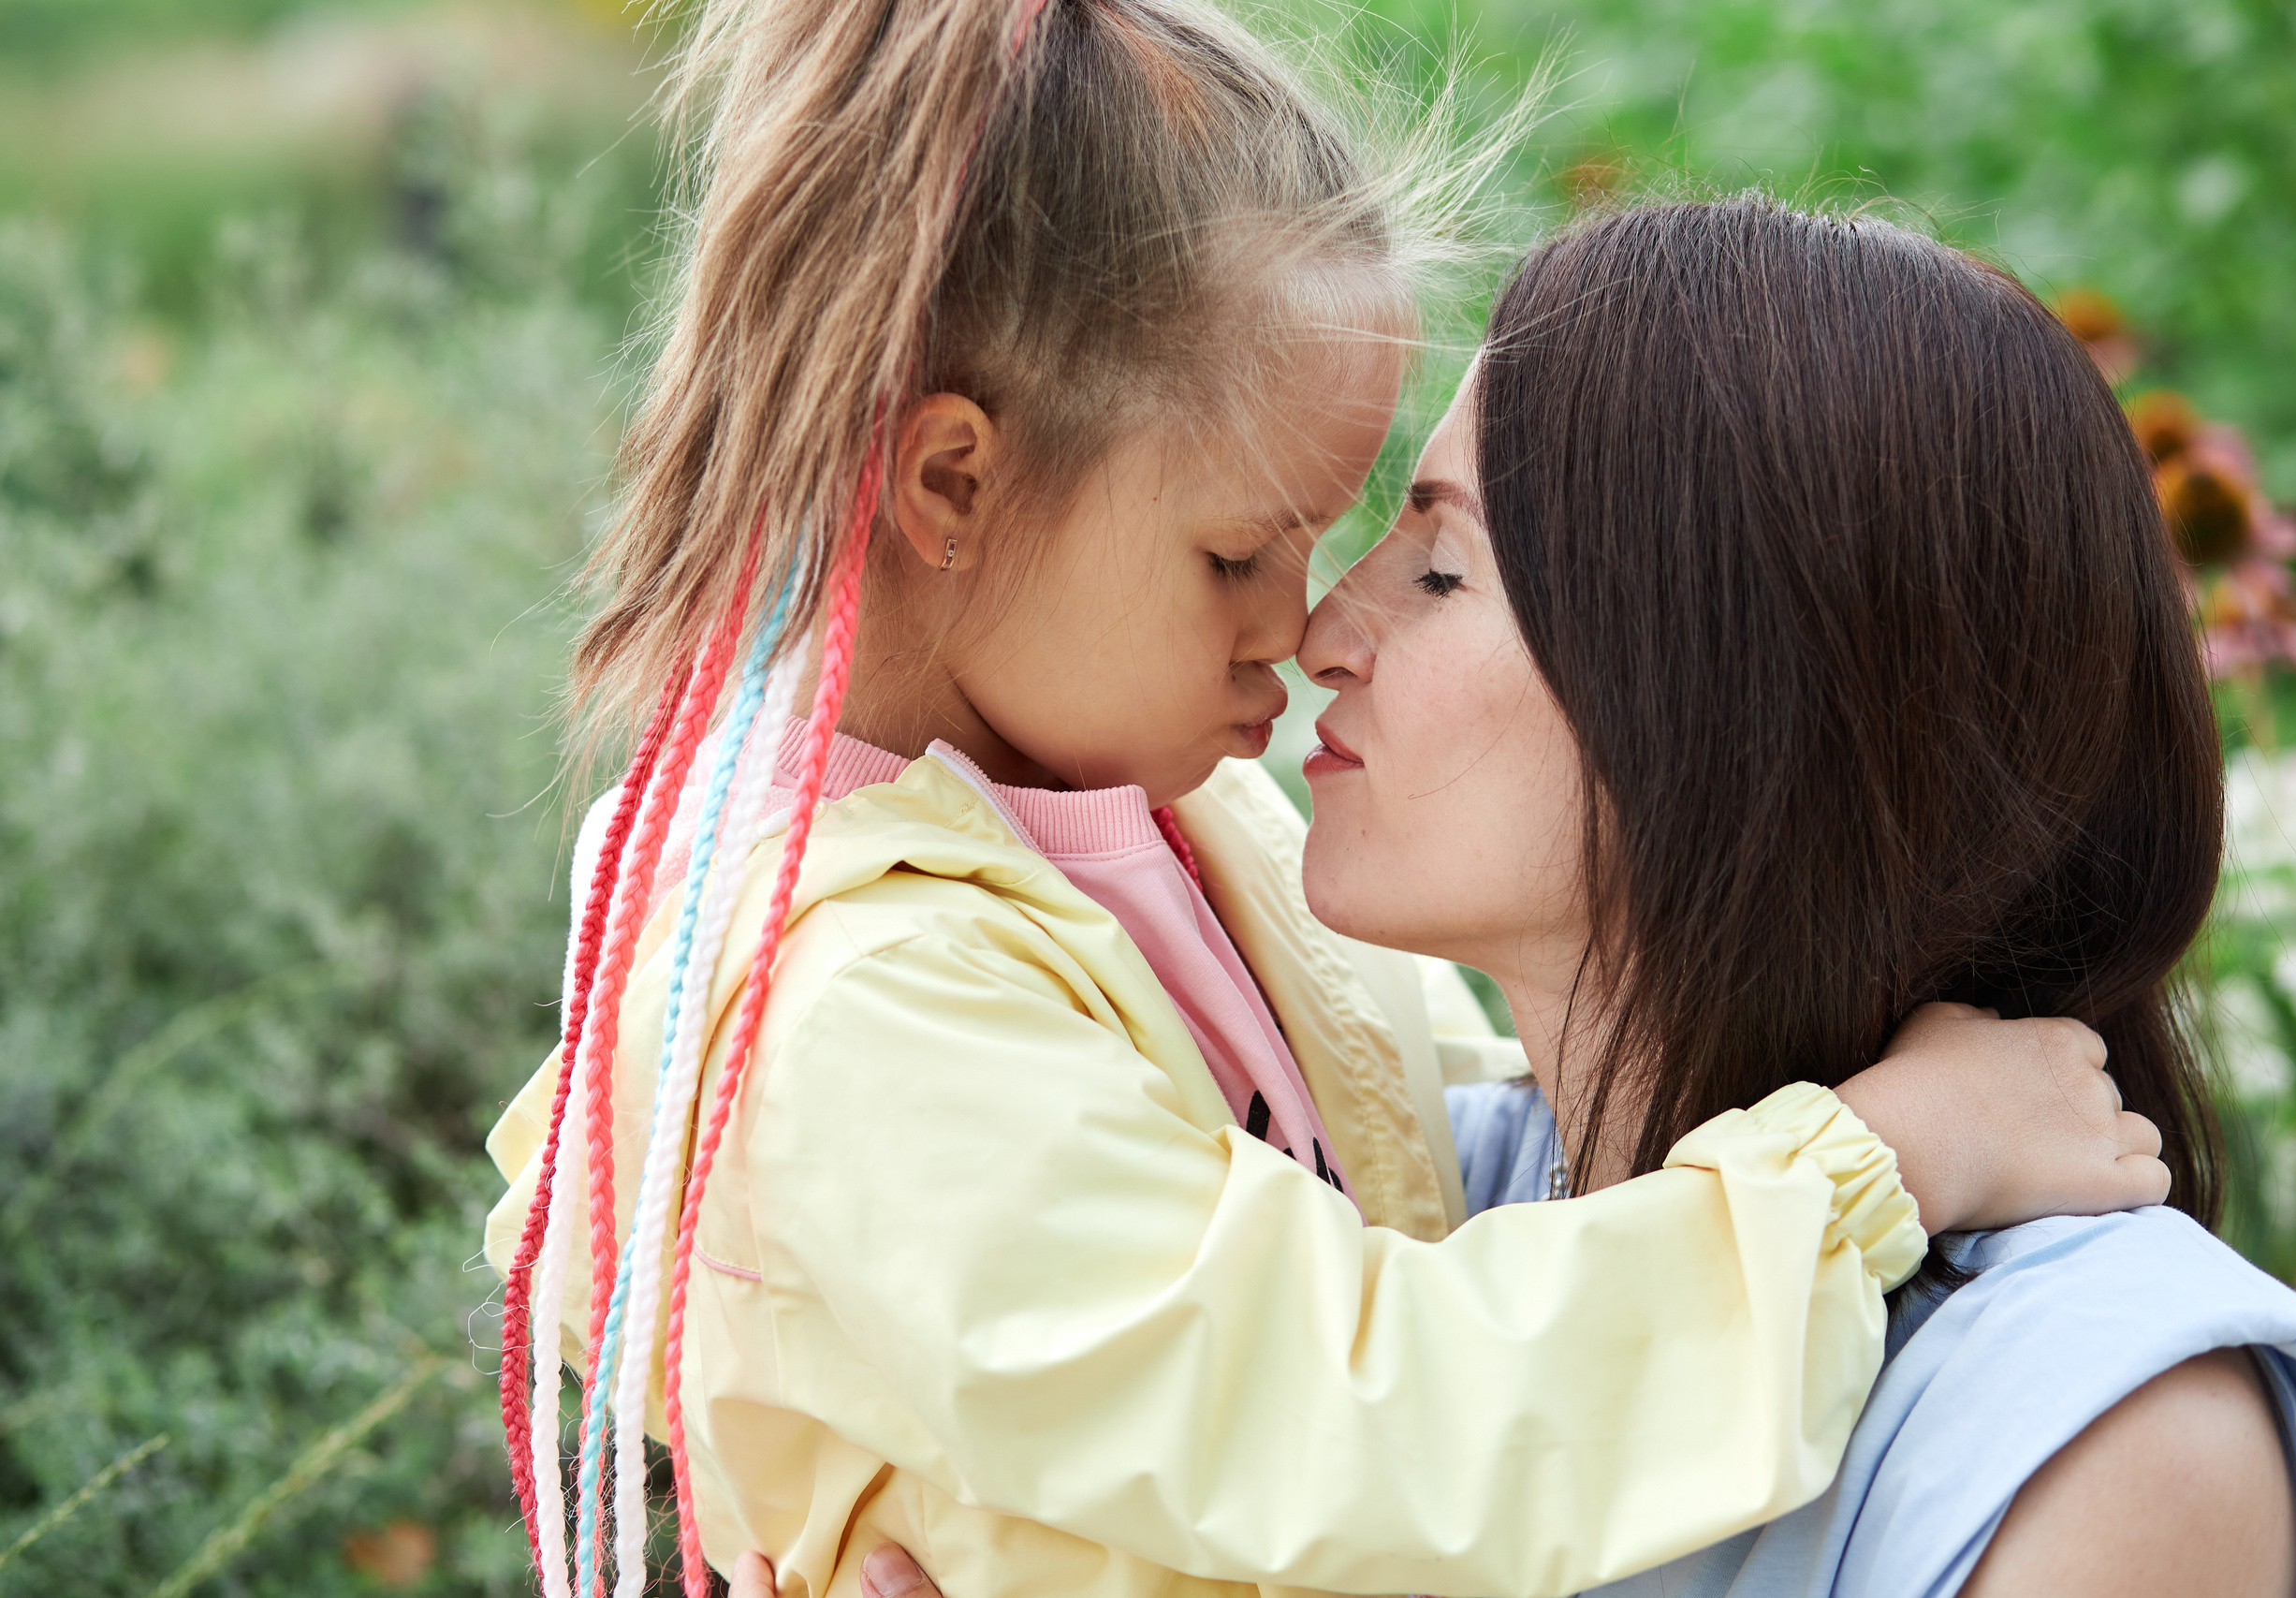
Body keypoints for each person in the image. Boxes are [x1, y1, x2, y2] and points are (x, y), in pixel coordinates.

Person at [479, 7, 2166, 1598]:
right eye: (1237, 554)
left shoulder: (1148, 832)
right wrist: (1884, 1158)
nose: (1305, 627)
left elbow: (1418, 1129)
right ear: (950, 485)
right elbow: (1371, 1411)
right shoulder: (850, 1004)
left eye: (1401, 552)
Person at [760, 196, 2296, 1598]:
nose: (1321, 628)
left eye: (1445, 566)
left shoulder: (2106, 1440)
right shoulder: (1401, 1197)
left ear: (1735, 697)